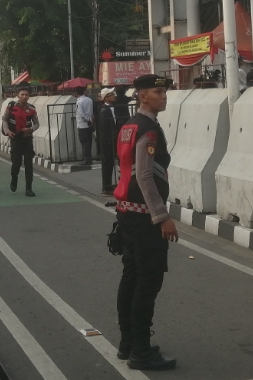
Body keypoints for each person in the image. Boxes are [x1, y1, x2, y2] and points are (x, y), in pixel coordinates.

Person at [113, 74, 178, 371]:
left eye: (164, 91)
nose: (163, 96)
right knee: (147, 282)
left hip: (126, 212)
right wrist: (161, 216)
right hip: (143, 216)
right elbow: (145, 175)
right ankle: (141, 350)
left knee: (131, 278)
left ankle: (128, 344)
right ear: (142, 96)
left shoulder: (128, 125)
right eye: (158, 91)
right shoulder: (148, 129)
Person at [2, 88, 39, 197]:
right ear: (18, 95)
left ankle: (29, 189)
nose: (24, 96)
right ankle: (14, 178)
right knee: (16, 163)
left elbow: (37, 124)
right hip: (15, 138)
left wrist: (31, 129)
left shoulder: (32, 109)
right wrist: (7, 131)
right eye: (22, 94)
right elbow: (4, 119)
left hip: (27, 139)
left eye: (26, 94)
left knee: (29, 164)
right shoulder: (11, 106)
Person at [97, 88, 118, 196]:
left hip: (112, 140)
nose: (114, 96)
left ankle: (110, 185)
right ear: (106, 97)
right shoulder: (105, 110)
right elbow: (105, 129)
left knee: (111, 163)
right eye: (111, 94)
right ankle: (107, 186)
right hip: (108, 141)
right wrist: (109, 140)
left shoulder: (111, 108)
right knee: (107, 164)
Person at [75, 86, 94, 166]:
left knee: (84, 143)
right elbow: (91, 111)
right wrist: (90, 120)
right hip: (89, 124)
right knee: (89, 142)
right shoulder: (89, 100)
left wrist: (87, 119)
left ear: (76, 93)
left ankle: (86, 159)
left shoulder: (79, 102)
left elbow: (81, 114)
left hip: (82, 125)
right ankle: (89, 159)